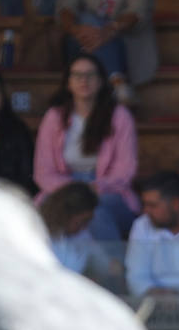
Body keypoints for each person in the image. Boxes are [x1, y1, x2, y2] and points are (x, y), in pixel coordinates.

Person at [34, 53, 139, 247]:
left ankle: (110, 265)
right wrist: (74, 190)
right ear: (68, 83)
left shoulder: (119, 116)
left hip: (108, 190)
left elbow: (125, 170)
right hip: (63, 187)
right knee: (45, 211)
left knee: (94, 213)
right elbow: (43, 171)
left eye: (90, 75)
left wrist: (95, 188)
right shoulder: (54, 117)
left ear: (100, 81)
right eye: (77, 75)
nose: (84, 80)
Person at [56, 0, 157, 104]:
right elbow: (67, 5)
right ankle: (117, 82)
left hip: (125, 40)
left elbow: (137, 11)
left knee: (90, 22)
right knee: (87, 19)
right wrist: (76, 29)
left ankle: (113, 83)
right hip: (83, 39)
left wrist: (109, 30)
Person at [39, 180, 116, 282]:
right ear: (66, 215)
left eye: (88, 221)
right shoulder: (37, 236)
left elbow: (104, 263)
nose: (85, 226)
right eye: (83, 221)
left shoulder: (83, 235)